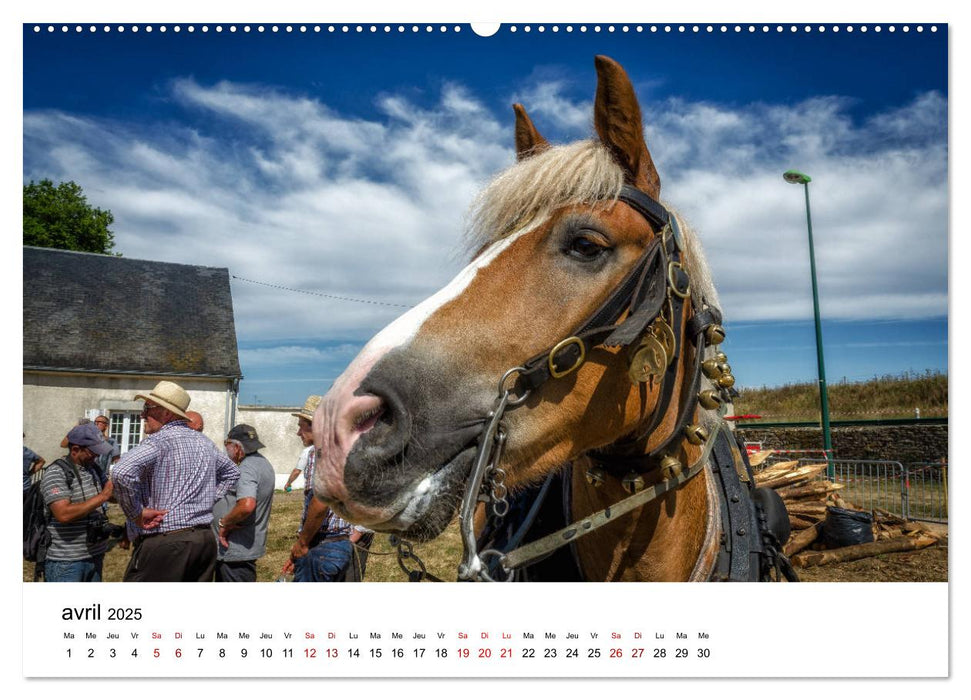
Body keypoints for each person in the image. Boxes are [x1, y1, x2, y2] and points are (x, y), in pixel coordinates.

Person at [111, 380, 239, 582]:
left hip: (167, 542)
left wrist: (136, 513)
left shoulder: (159, 441)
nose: (143, 414)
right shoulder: (204, 442)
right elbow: (232, 471)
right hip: (203, 541)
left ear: (167, 413)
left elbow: (121, 472)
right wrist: (203, 501)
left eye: (148, 408)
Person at [283, 394, 357, 582]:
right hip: (337, 545)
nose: (298, 432)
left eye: (302, 426)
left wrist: (302, 543)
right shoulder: (342, 453)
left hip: (322, 546)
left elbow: (320, 502)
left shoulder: (321, 454)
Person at [40, 423, 115, 582]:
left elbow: (110, 494)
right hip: (67, 562)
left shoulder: (92, 468)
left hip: (94, 555)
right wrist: (102, 496)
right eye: (93, 452)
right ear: (75, 450)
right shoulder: (56, 473)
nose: (96, 456)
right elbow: (63, 514)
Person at [212, 424, 276, 582]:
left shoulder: (247, 468)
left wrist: (224, 523)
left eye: (228, 445)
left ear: (237, 447)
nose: (226, 450)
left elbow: (247, 505)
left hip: (235, 551)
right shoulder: (263, 463)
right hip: (241, 549)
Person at [282, 396, 319, 493]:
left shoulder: (317, 453)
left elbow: (297, 470)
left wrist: (288, 483)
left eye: (301, 427)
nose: (298, 433)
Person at [93, 415, 118, 484]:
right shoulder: (88, 440)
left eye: (100, 422)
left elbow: (116, 459)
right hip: (89, 476)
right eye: (95, 422)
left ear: (106, 426)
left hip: (103, 477)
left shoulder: (111, 441)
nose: (96, 424)